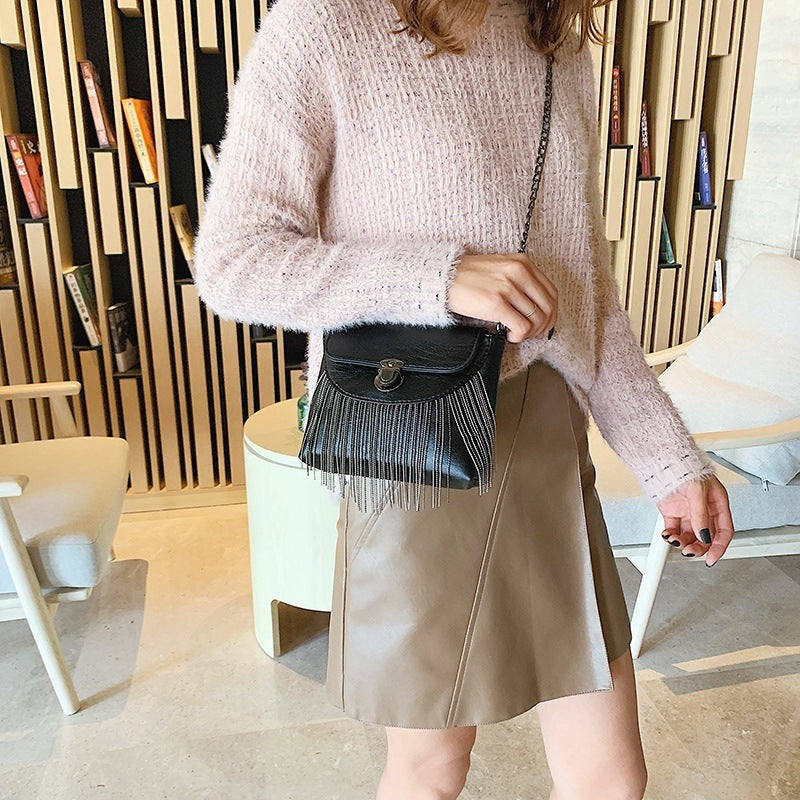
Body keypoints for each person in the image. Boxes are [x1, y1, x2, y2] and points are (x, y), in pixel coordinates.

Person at [193, 0, 737, 797]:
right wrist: (438, 277)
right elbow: (234, 262)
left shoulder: (552, 39)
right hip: (416, 446)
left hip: (547, 442)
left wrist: (670, 463)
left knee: (612, 778)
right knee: (431, 768)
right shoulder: (325, 25)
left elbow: (585, 296)